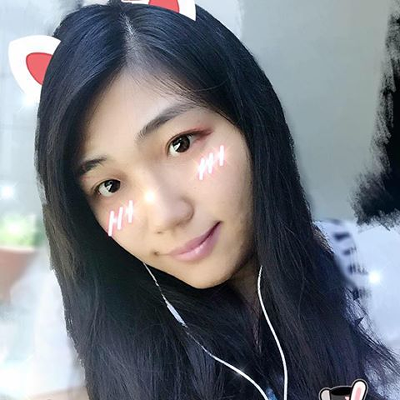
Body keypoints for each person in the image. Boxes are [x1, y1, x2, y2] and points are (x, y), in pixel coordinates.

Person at [31, 1, 400, 399]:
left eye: (181, 143)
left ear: (250, 120)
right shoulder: (76, 329)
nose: (166, 215)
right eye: (109, 185)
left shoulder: (381, 271)